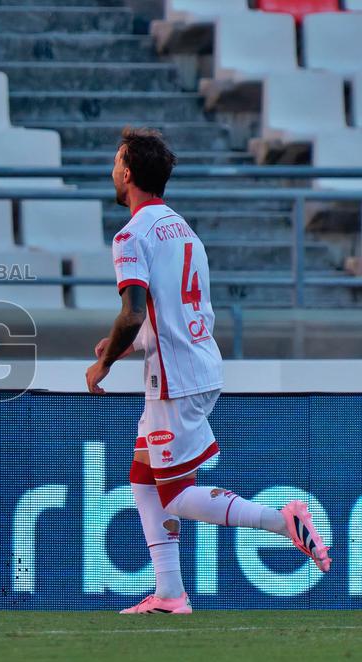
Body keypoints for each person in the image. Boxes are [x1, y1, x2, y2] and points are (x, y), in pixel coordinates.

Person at [86, 127, 330, 614]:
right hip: (195, 362)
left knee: (175, 494)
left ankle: (282, 522)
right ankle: (170, 592)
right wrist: (131, 345)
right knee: (142, 479)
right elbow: (174, 311)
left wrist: (104, 363)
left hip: (174, 379)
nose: (112, 170)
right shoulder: (183, 229)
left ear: (128, 173)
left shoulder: (130, 235)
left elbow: (132, 312)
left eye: (116, 162)